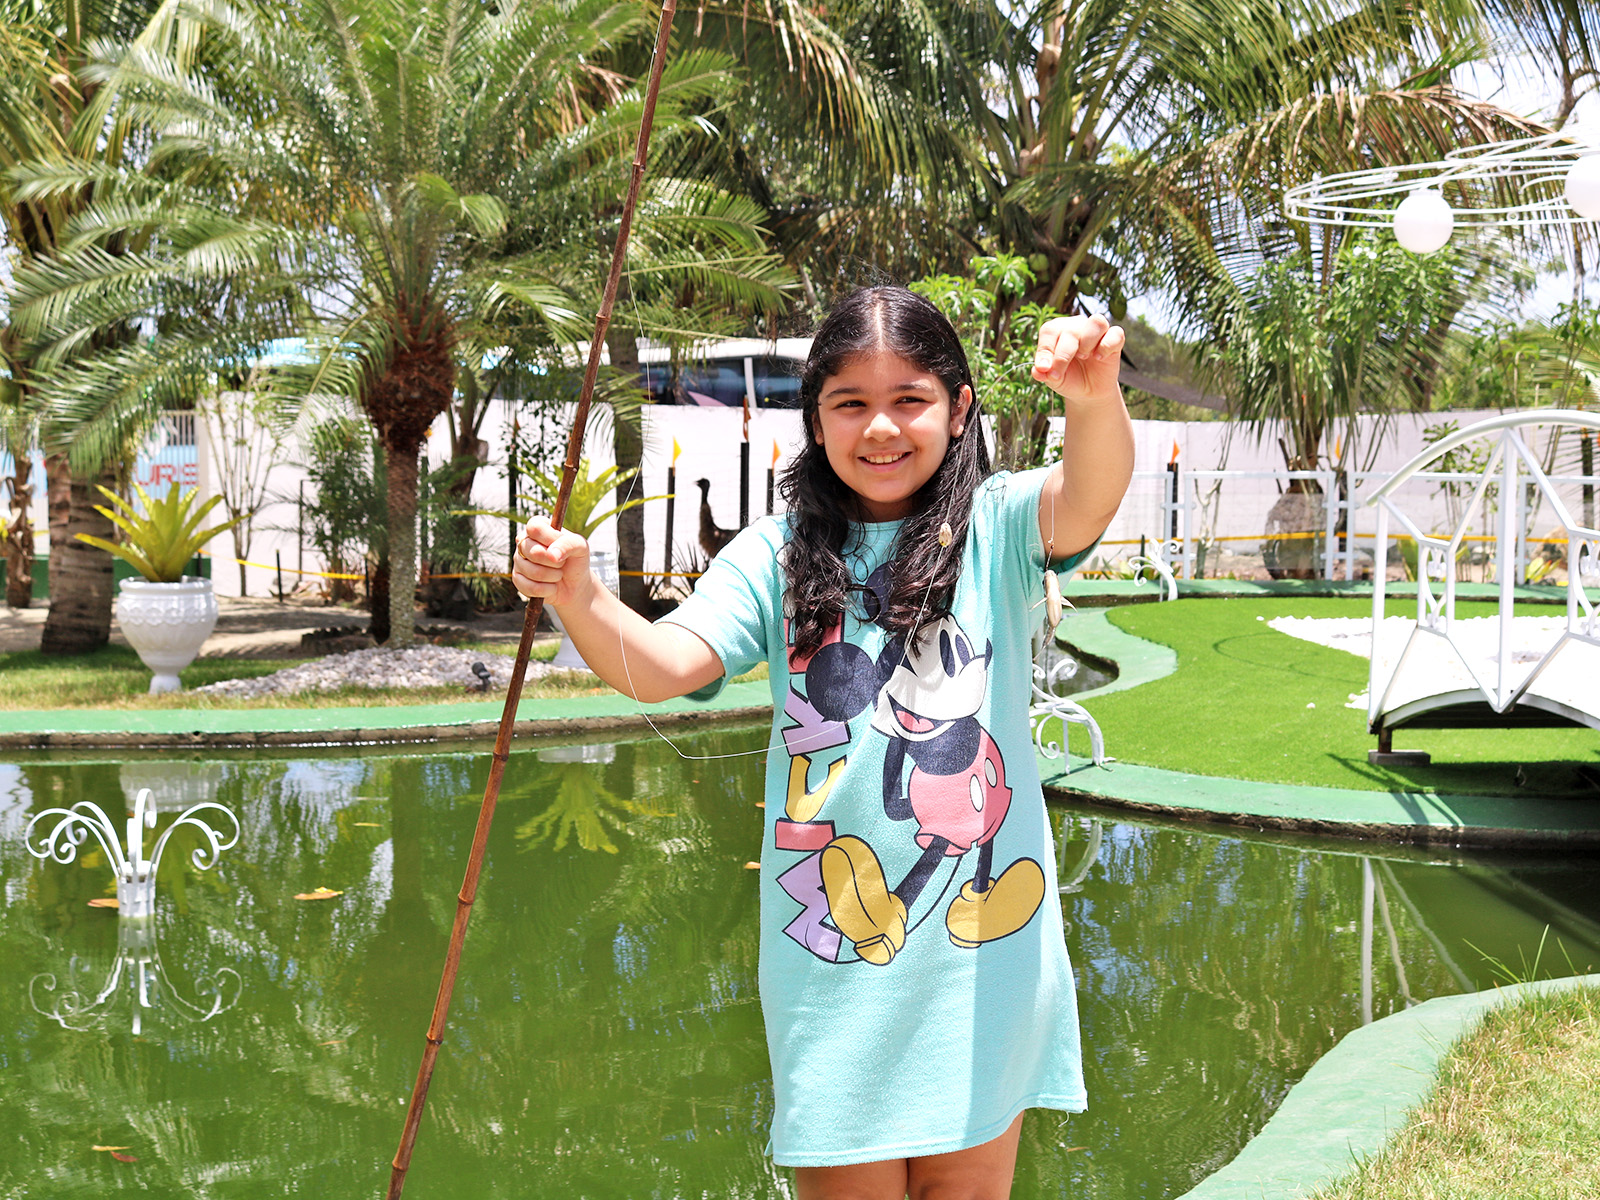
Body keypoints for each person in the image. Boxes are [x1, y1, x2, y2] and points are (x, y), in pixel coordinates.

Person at [512, 286, 1134, 1200]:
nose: (881, 427)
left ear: (960, 409)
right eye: (850, 403)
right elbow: (666, 663)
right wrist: (579, 595)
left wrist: (1093, 398)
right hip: (833, 967)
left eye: (910, 399)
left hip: (982, 970)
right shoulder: (774, 555)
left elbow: (1089, 495)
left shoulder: (998, 526)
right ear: (815, 419)